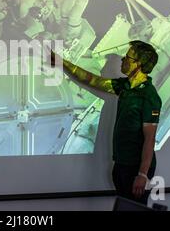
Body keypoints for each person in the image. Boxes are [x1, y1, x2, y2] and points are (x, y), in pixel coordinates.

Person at [50, 40, 162, 205]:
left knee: (133, 209)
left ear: (138, 65)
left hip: (136, 168)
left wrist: (143, 174)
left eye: (127, 58)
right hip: (122, 163)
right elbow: (92, 80)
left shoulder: (149, 96)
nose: (123, 60)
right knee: (123, 206)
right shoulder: (124, 86)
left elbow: (149, 138)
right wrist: (63, 63)